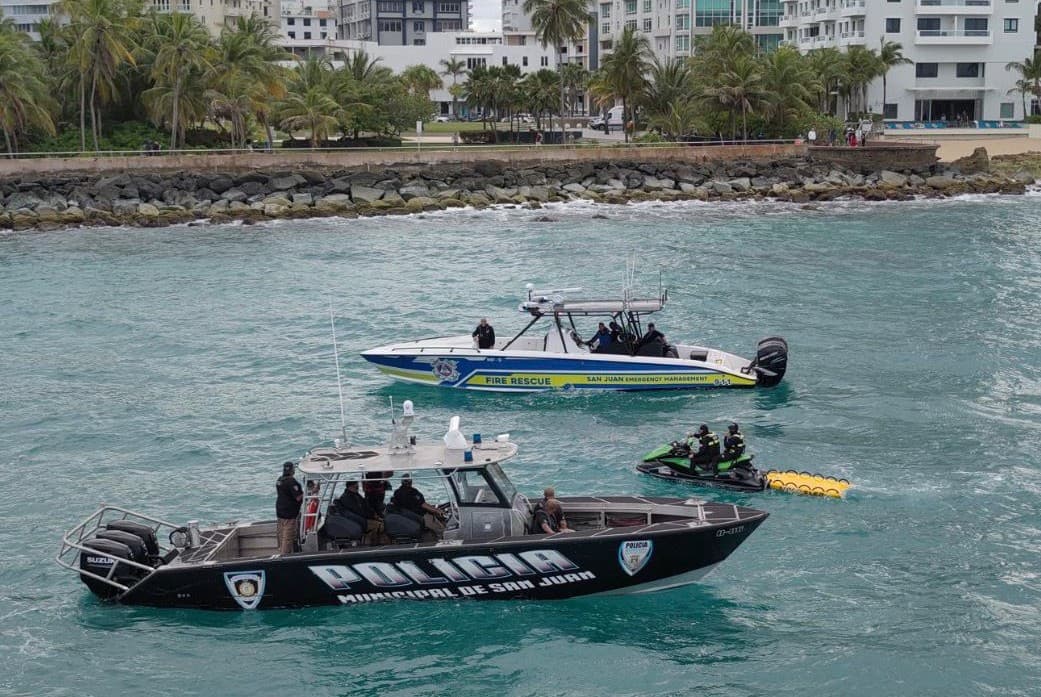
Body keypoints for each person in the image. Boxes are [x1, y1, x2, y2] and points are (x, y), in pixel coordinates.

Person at [275, 461, 303, 554]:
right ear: (292, 470)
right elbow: (298, 498)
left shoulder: (280, 480)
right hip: (289, 514)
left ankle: (282, 552)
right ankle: (284, 557)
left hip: (280, 512)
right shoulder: (291, 482)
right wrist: (307, 493)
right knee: (287, 537)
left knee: (281, 535)